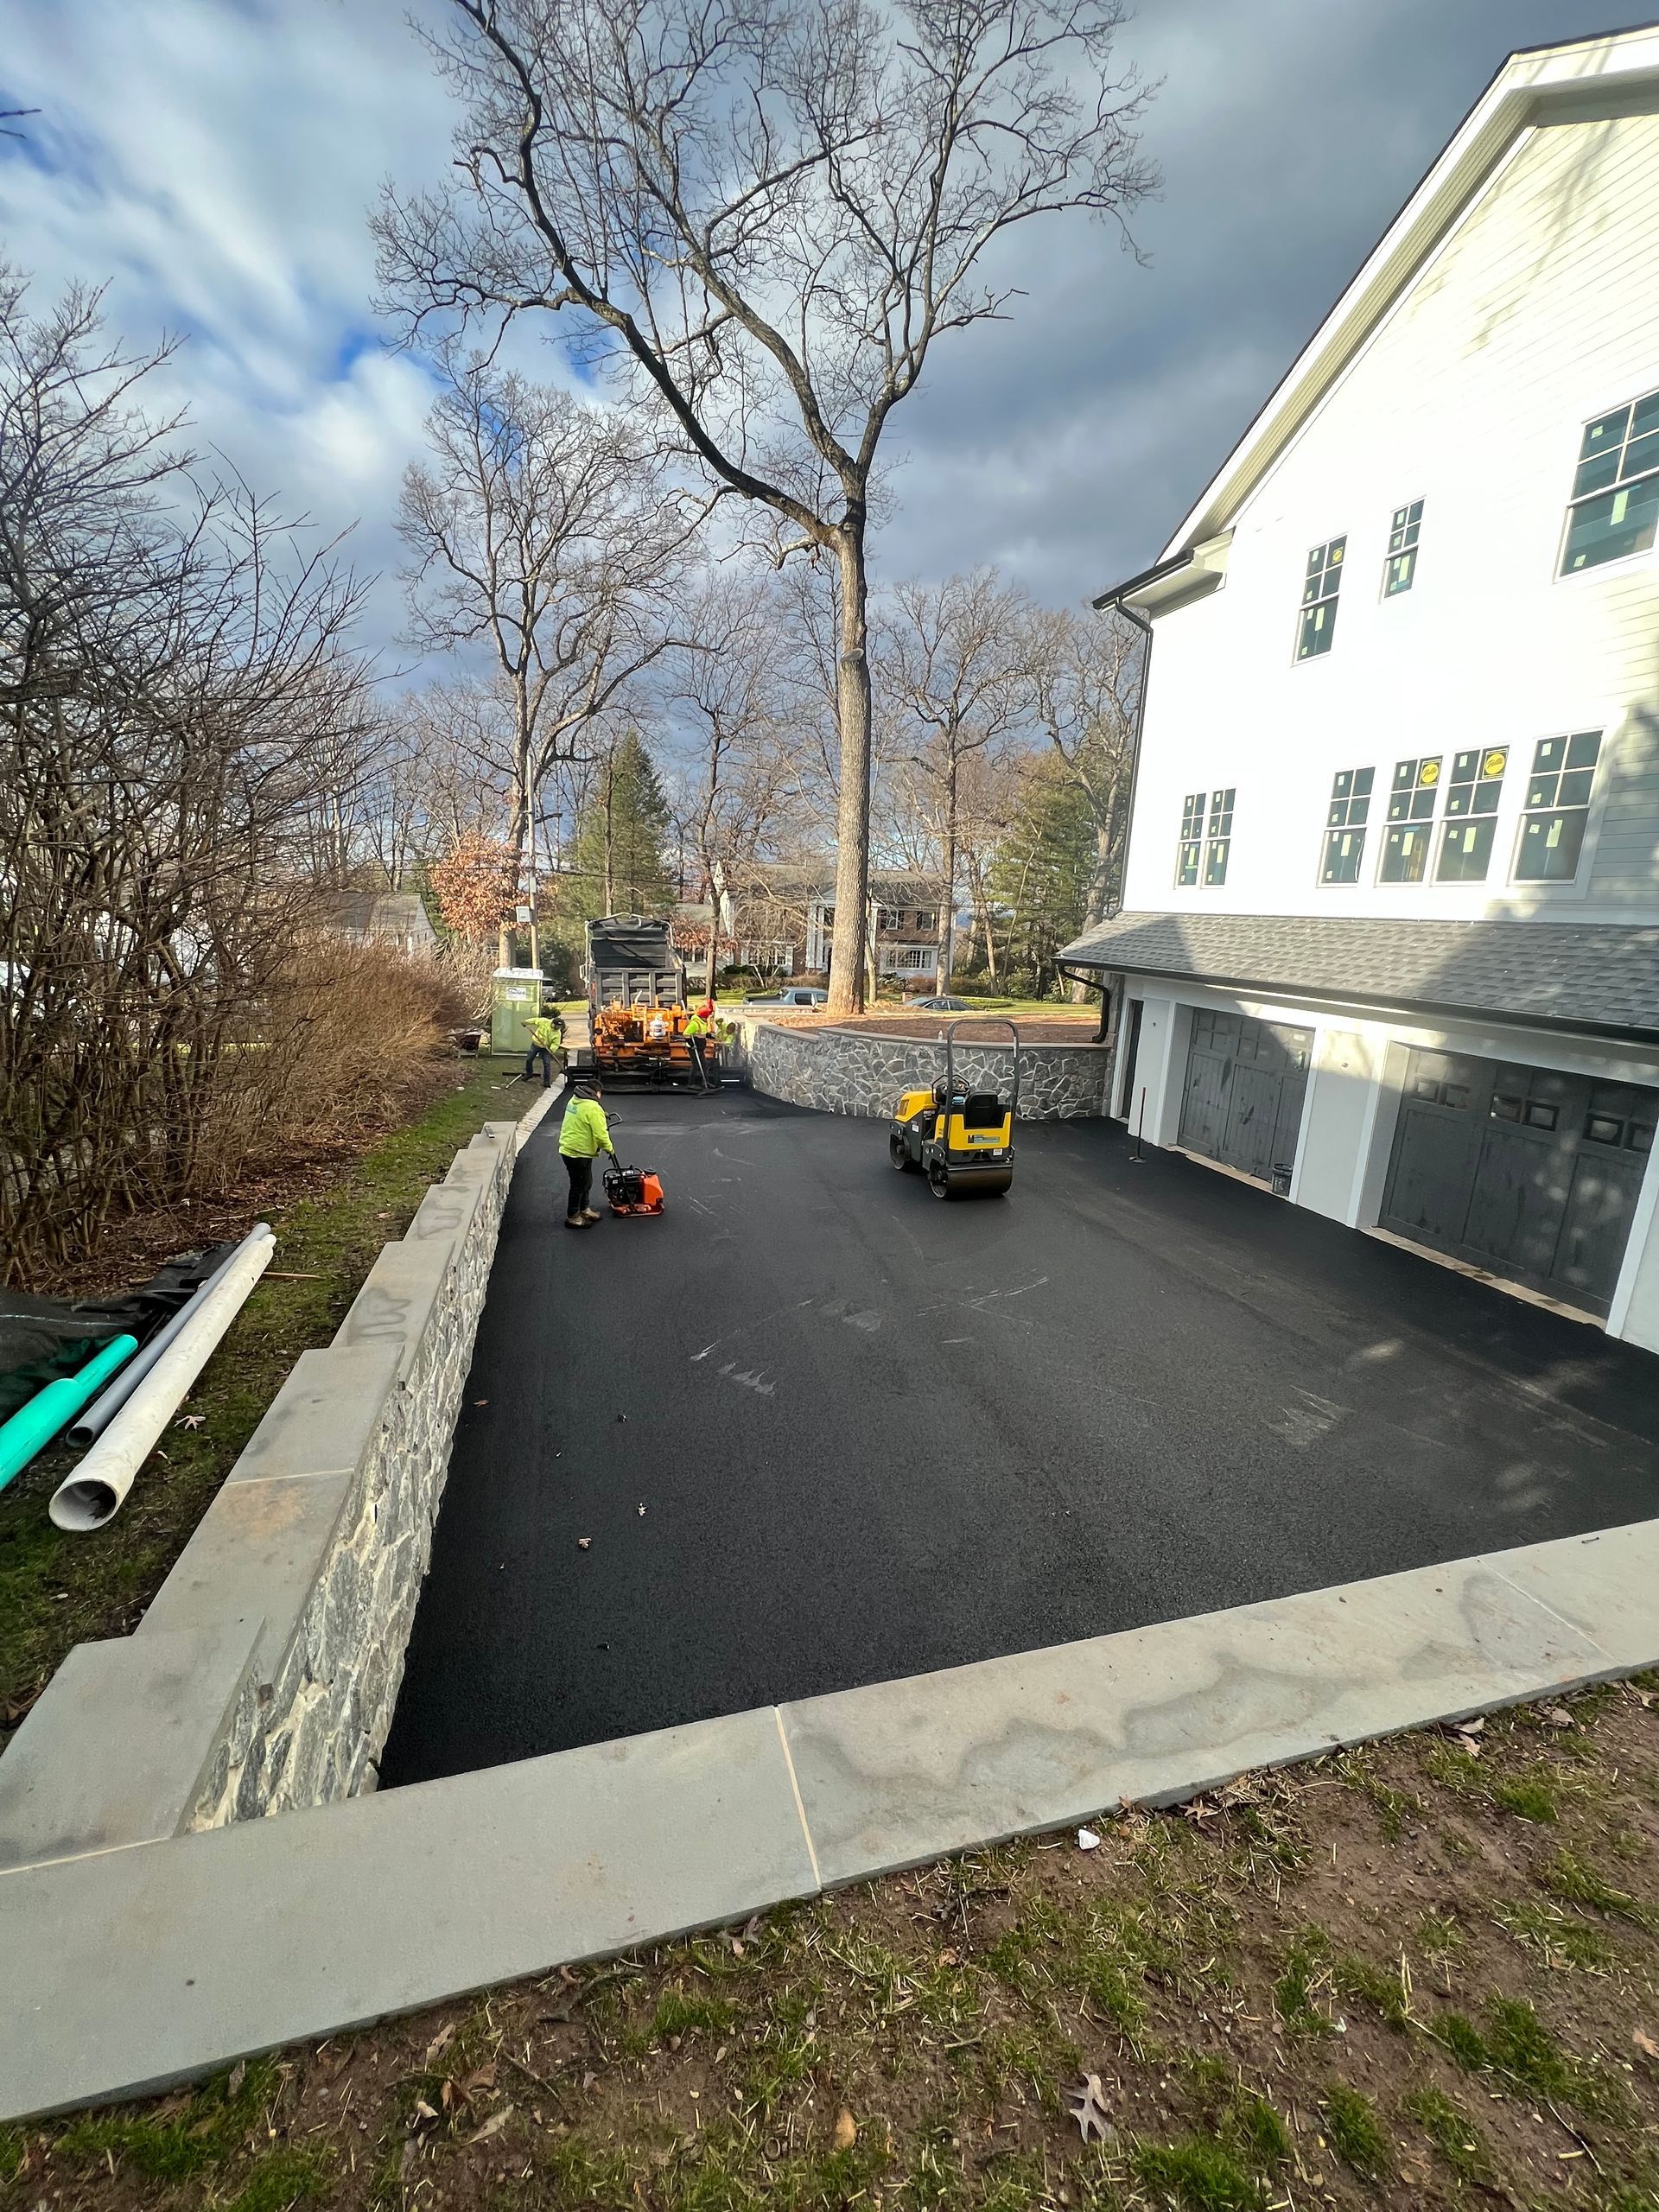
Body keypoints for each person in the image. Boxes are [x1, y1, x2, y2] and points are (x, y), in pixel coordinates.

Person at [558, 1075, 617, 1228]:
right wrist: (610, 1149)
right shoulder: (593, 1108)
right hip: (578, 1152)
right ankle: (573, 1217)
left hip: (569, 1148)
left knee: (586, 1182)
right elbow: (601, 1135)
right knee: (578, 1184)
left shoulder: (575, 1099)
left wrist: (601, 1114)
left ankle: (584, 1209)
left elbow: (583, 1115)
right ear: (597, 1093)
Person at [523, 1006, 564, 1090]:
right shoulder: (544, 1022)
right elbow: (534, 1020)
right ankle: (529, 1074)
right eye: (557, 1026)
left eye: (559, 1027)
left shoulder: (557, 1033)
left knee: (547, 1064)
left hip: (546, 1048)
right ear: (553, 1023)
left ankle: (546, 1082)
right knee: (529, 1059)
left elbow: (556, 1044)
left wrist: (551, 1050)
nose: (558, 1028)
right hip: (536, 1044)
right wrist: (526, 1022)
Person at [683, 1000, 714, 1092]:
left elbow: (701, 1033)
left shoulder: (702, 1022)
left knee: (704, 1065)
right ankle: (691, 1084)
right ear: (704, 1016)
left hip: (700, 1047)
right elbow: (686, 1034)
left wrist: (708, 1035)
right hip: (693, 1048)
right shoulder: (695, 1023)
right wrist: (693, 1044)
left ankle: (706, 1082)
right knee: (696, 1065)